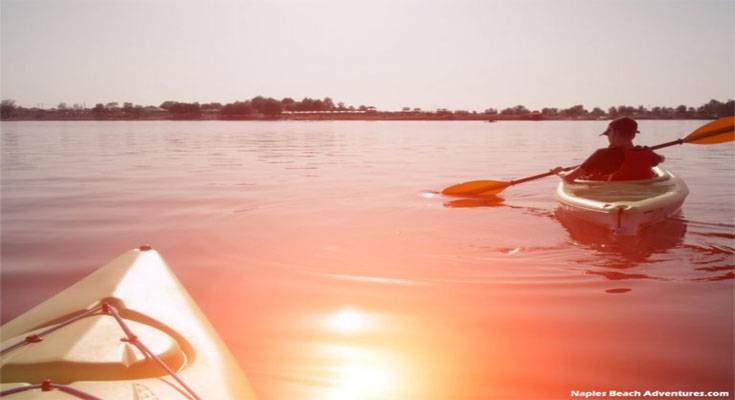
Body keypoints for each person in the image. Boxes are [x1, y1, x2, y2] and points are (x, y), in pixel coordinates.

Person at [554, 117, 664, 182]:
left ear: (613, 131)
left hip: (610, 198)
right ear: (634, 135)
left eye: (608, 134)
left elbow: (569, 178)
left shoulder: (601, 155)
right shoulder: (648, 153)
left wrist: (559, 172)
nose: (607, 137)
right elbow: (662, 159)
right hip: (641, 198)